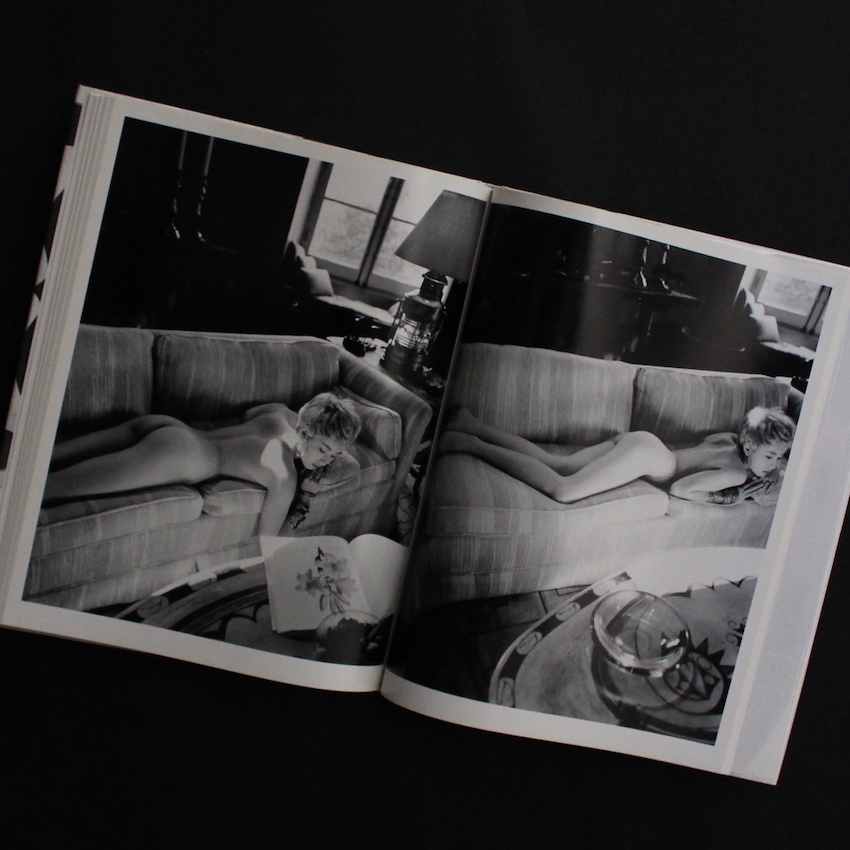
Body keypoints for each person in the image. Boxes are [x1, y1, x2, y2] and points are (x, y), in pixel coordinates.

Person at [43, 393, 361, 535]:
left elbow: (254, 414)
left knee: (46, 454)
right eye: (324, 450)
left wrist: (320, 437)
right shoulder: (284, 475)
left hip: (168, 425)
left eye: (333, 455)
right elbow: (269, 543)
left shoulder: (281, 415)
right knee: (52, 488)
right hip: (182, 455)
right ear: (305, 432)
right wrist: (305, 498)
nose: (326, 460)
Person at [439, 405, 795, 506]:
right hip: (650, 459)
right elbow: (681, 489)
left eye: (780, 458)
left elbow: (701, 457)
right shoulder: (736, 473)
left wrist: (763, 468)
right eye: (771, 456)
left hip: (644, 442)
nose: (774, 465)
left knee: (560, 463)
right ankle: (469, 444)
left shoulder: (730, 440)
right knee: (563, 490)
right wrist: (732, 496)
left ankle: (471, 424)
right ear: (750, 446)